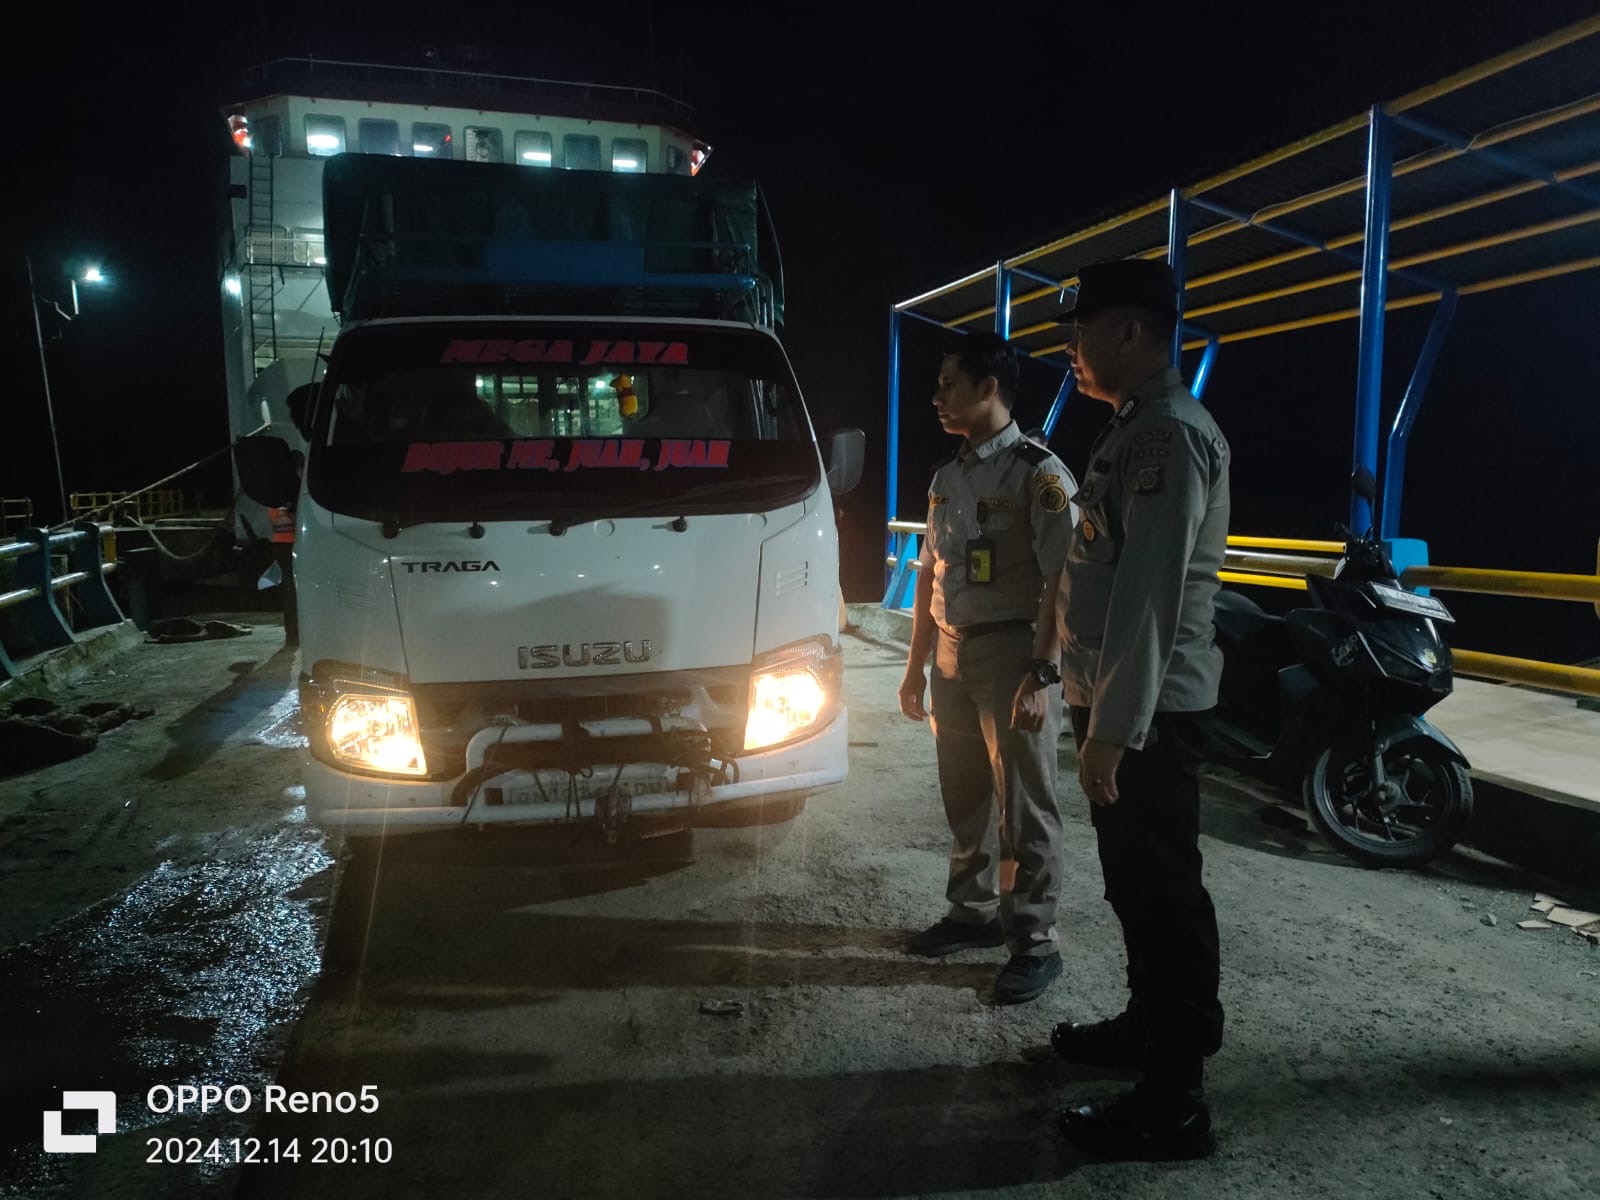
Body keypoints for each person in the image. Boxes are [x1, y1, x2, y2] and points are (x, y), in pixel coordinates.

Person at [1047, 259, 1231, 1160]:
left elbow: (1148, 597)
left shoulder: (1167, 435)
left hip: (1148, 712)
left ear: (1129, 331)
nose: (1070, 350)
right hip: (1121, 701)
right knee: (1133, 883)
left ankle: (1176, 1096)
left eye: (1080, 331)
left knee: (1162, 892)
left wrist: (1112, 731)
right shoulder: (1132, 429)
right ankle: (1146, 1028)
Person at [898, 331, 1078, 1005]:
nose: (937, 397)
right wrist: (915, 667)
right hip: (951, 653)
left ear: (988, 388)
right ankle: (971, 913)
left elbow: (1063, 578)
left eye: (949, 385)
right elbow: (930, 575)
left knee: (1026, 803)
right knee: (965, 792)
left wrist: (1044, 671)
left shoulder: (1039, 473)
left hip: (1012, 655)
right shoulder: (947, 477)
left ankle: (1035, 941)